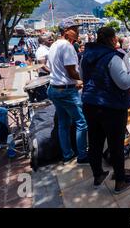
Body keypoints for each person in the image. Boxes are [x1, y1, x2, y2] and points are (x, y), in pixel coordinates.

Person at [81, 27, 130, 192]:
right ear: (112, 39)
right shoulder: (113, 57)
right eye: (115, 38)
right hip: (111, 107)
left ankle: (98, 175)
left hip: (90, 104)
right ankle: (120, 180)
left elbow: (82, 77)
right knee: (115, 144)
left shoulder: (86, 55)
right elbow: (124, 82)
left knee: (94, 141)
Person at [47, 18, 88, 164]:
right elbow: (71, 71)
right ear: (65, 31)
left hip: (54, 88)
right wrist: (83, 78)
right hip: (66, 91)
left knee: (63, 124)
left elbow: (58, 70)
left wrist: (73, 80)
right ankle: (82, 155)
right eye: (74, 29)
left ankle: (67, 154)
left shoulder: (54, 45)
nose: (77, 32)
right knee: (81, 123)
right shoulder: (67, 46)